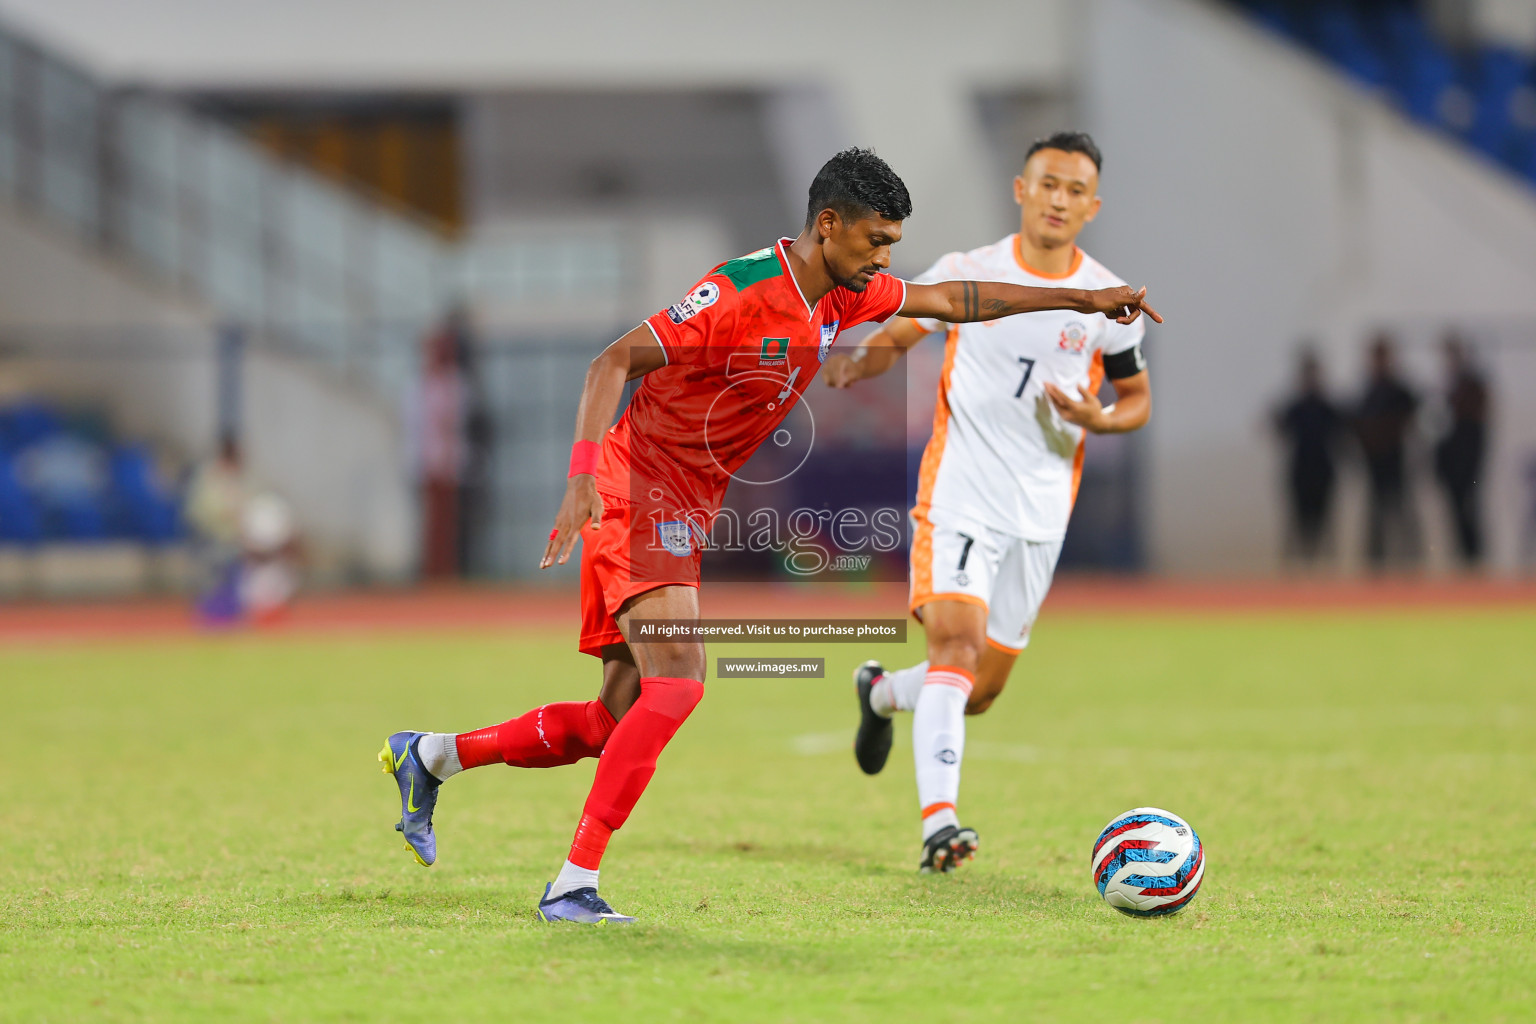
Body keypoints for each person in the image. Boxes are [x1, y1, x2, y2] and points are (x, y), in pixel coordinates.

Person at [377, 147, 1161, 923]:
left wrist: (1083, 303)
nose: (886, 258)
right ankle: (572, 885)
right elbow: (610, 363)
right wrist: (582, 477)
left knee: (612, 719)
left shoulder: (846, 294)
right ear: (828, 225)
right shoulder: (740, 290)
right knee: (679, 681)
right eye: (875, 240)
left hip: (686, 502)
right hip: (634, 485)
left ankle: (432, 756)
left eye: (891, 242)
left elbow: (953, 299)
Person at [825, 132, 1154, 872]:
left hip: (1040, 511)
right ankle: (940, 823)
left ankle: (879, 693)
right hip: (960, 494)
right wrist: (858, 364)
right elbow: (899, 335)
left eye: (1075, 190)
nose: (1059, 199)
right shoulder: (967, 273)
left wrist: (1102, 418)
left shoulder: (1104, 301)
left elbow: (1136, 399)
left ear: (1092, 206)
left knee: (978, 691)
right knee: (955, 648)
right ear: (1021, 189)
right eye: (1048, 184)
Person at [1354, 335, 1420, 570]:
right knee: (1376, 515)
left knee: (1402, 512)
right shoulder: (1368, 391)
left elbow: (1410, 419)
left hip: (1395, 460)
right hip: (1374, 462)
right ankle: (1376, 564)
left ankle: (1411, 563)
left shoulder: (1399, 391)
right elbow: (1357, 424)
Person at [1274, 349, 1343, 564]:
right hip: (1301, 471)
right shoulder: (1296, 408)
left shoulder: (1326, 408)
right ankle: (1299, 564)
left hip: (1321, 471)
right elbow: (1281, 429)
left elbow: (1341, 435)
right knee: (1299, 522)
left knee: (1323, 523)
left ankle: (1322, 565)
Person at [1432, 336, 1489, 567]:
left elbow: (1477, 427)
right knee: (1455, 511)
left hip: (1467, 462)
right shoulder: (1446, 386)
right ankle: (1464, 556)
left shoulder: (1472, 385)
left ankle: (1473, 556)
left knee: (1469, 509)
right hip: (1451, 463)